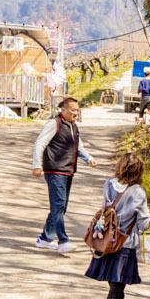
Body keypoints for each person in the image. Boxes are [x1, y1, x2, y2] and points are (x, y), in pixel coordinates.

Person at [80, 152, 149, 299]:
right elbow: (144, 224)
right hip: (124, 248)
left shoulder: (109, 184)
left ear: (120, 167)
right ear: (139, 171)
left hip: (107, 245)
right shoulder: (138, 192)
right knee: (113, 298)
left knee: (117, 296)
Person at [29, 95, 94, 253]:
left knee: (61, 207)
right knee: (58, 205)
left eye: (77, 111)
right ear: (63, 110)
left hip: (68, 171)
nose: (76, 114)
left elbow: (79, 147)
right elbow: (40, 143)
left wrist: (89, 159)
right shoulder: (54, 124)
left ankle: (44, 239)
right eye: (73, 110)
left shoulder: (73, 126)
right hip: (55, 170)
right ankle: (63, 241)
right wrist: (37, 165)